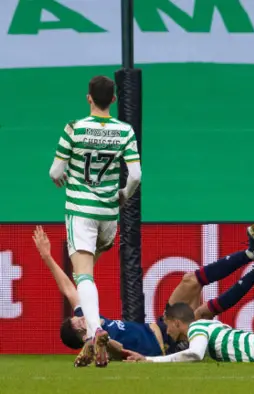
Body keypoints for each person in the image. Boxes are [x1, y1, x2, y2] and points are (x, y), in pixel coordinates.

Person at [33, 225, 254, 360]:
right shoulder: (99, 344)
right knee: (203, 313)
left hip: (161, 325)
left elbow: (68, 288)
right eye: (78, 320)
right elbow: (120, 350)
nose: (80, 316)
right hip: (167, 345)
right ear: (79, 331)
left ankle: (252, 256)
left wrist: (46, 257)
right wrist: (106, 344)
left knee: (190, 281)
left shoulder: (92, 321)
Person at [49, 76, 142, 367]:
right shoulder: (125, 130)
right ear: (113, 100)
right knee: (86, 275)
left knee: (83, 276)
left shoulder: (74, 128)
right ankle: (93, 334)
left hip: (81, 213)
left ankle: (94, 331)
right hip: (109, 215)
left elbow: (55, 172)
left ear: (88, 97)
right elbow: (136, 176)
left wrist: (61, 177)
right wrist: (124, 195)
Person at [124, 302, 254, 363]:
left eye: (167, 324)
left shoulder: (197, 327)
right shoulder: (209, 325)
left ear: (177, 323)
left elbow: (194, 354)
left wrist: (150, 360)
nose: (166, 330)